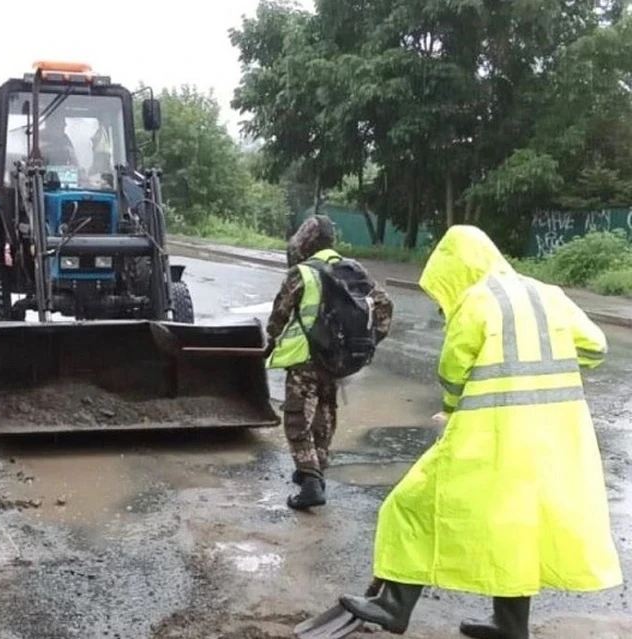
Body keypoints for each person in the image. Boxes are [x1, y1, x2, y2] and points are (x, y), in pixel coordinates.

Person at [336, 225, 622, 638]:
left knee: (409, 504)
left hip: (490, 435)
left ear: (457, 268)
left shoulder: (476, 300)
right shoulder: (550, 294)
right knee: (516, 522)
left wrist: (452, 411)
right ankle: (509, 625)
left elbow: (452, 370)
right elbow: (595, 347)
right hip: (554, 437)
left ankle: (393, 605)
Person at [264, 214, 393, 509]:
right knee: (324, 415)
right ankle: (316, 472)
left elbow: (278, 317)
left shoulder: (302, 273)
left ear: (305, 242)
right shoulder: (353, 269)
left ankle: (310, 482)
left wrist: (270, 342)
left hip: (305, 360)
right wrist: (368, 342)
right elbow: (385, 305)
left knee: (298, 417)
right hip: (335, 362)